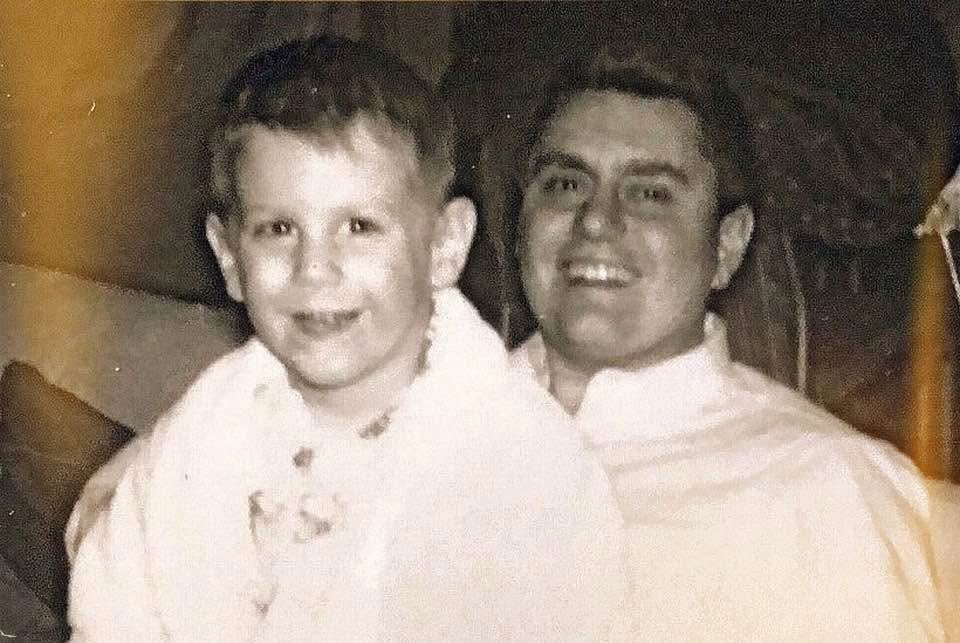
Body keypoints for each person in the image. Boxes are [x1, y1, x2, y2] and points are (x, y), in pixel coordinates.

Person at [66, 35, 625, 642]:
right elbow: (114, 617)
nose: (314, 268)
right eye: (278, 229)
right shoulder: (204, 431)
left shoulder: (525, 467)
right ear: (229, 258)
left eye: (359, 227)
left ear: (444, 246)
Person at [508, 46, 949, 640]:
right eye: (565, 184)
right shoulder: (405, 424)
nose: (595, 221)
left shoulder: (822, 490)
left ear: (729, 246)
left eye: (650, 193)